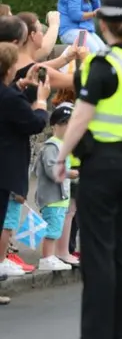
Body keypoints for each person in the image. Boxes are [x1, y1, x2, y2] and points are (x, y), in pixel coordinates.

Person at [52, 0, 122, 339]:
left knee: (97, 255)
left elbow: (80, 118)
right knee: (121, 250)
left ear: (103, 24)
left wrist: (60, 157)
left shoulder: (102, 66)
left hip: (102, 164)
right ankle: (120, 332)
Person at [0, 41, 50, 305]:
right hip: (6, 168)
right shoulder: (9, 98)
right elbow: (35, 123)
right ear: (9, 68)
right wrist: (41, 101)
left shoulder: (7, 93)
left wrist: (19, 86)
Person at [35, 105, 78, 271]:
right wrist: (68, 173)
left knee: (56, 226)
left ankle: (50, 257)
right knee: (52, 228)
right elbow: (52, 171)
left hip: (60, 196)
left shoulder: (62, 146)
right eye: (64, 123)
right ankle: (47, 258)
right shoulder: (52, 146)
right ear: (54, 126)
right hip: (52, 197)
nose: (68, 127)